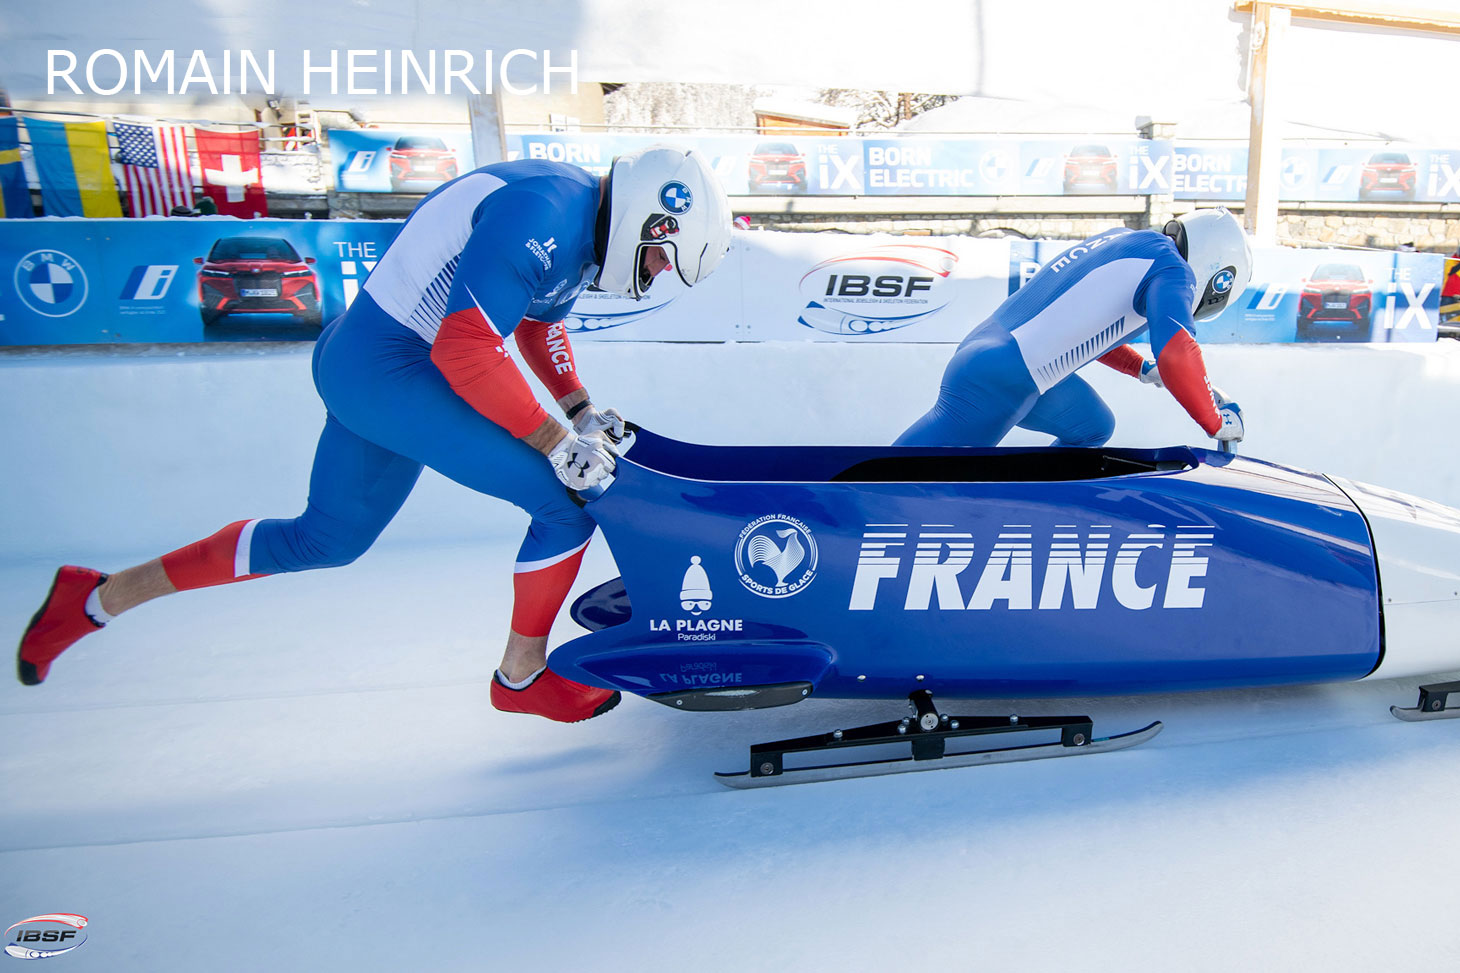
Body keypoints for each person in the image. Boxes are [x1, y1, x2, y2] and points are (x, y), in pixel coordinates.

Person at [16, 145, 733, 723]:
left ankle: (92, 598)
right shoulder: (544, 211)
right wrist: (555, 441)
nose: (652, 273)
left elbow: (539, 324)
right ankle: (520, 677)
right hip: (391, 368)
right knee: (567, 502)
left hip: (373, 362)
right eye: (660, 257)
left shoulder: (578, 221)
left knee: (322, 541)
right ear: (654, 219)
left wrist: (579, 409)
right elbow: (468, 350)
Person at [896, 208, 1251, 449]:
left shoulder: (1129, 241)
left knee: (1091, 426)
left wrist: (1142, 369)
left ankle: (1039, 509)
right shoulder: (1173, 270)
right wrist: (1214, 421)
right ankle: (845, 515)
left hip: (1004, 364)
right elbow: (1177, 351)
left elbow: (1083, 322)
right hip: (1004, 377)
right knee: (905, 479)